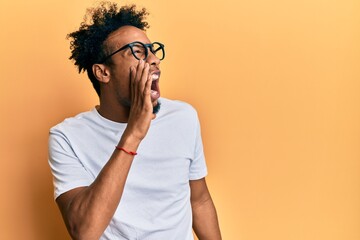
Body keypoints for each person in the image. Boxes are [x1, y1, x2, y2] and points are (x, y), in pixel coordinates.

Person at [48, 2, 221, 239]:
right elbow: (84, 231)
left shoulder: (183, 117)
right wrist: (134, 134)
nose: (153, 60)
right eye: (138, 51)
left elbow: (199, 201)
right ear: (103, 72)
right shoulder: (66, 136)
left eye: (152, 50)